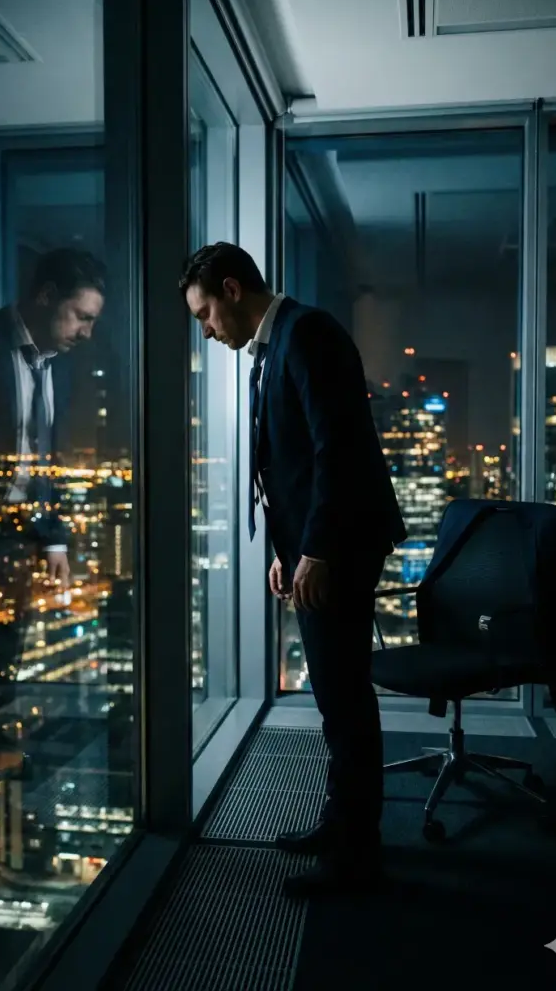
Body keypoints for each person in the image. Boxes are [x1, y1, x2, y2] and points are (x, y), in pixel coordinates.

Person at [181, 242, 406, 896]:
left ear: (231, 289)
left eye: (203, 314)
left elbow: (338, 450)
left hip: (342, 546)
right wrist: (290, 551)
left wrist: (318, 551)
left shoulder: (307, 334)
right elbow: (295, 463)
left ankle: (357, 857)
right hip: (321, 544)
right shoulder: (278, 343)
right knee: (336, 700)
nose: (205, 331)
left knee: (345, 700)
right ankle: (341, 826)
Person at [0, 246, 105, 595]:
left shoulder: (61, 368)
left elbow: (49, 460)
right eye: (82, 316)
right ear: (46, 296)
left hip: (23, 545)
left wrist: (54, 540)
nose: (87, 333)